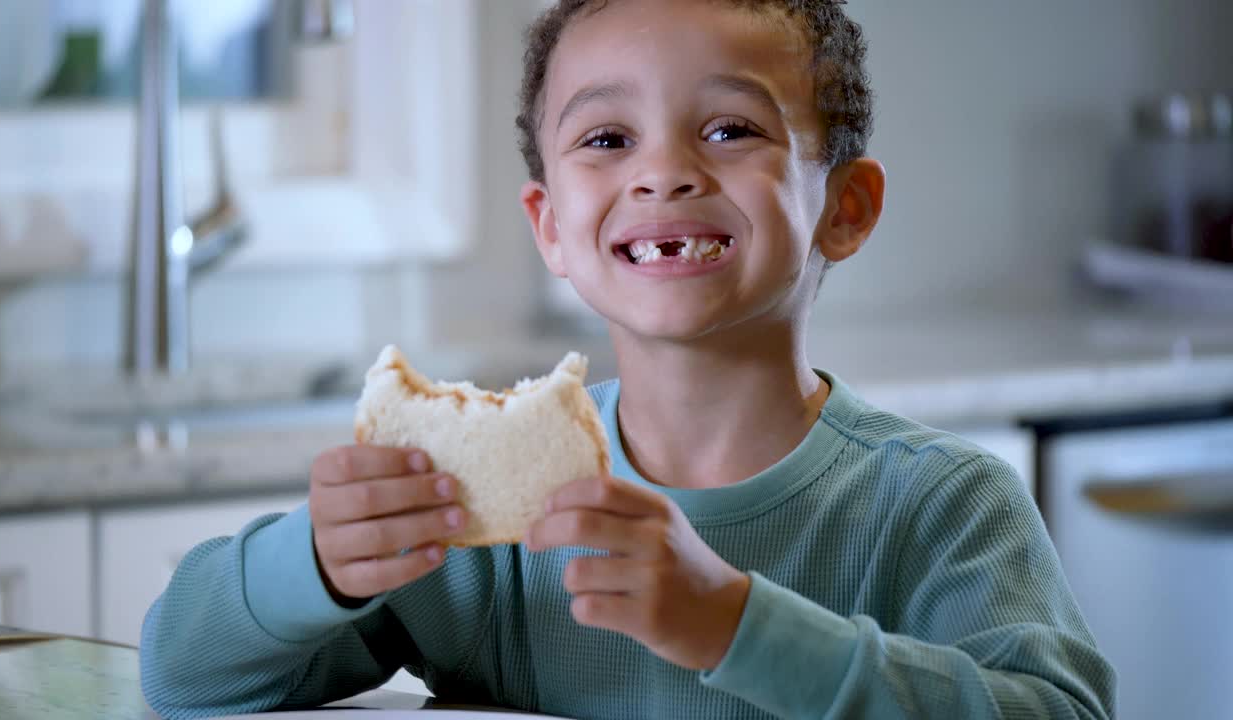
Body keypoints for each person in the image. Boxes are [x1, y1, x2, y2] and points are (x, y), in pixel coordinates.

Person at [140, 1, 1115, 717]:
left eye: (729, 129)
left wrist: (737, 626)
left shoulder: (942, 508)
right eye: (606, 138)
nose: (660, 171)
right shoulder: (473, 520)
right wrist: (310, 562)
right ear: (550, 226)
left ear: (845, 207)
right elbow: (181, 675)